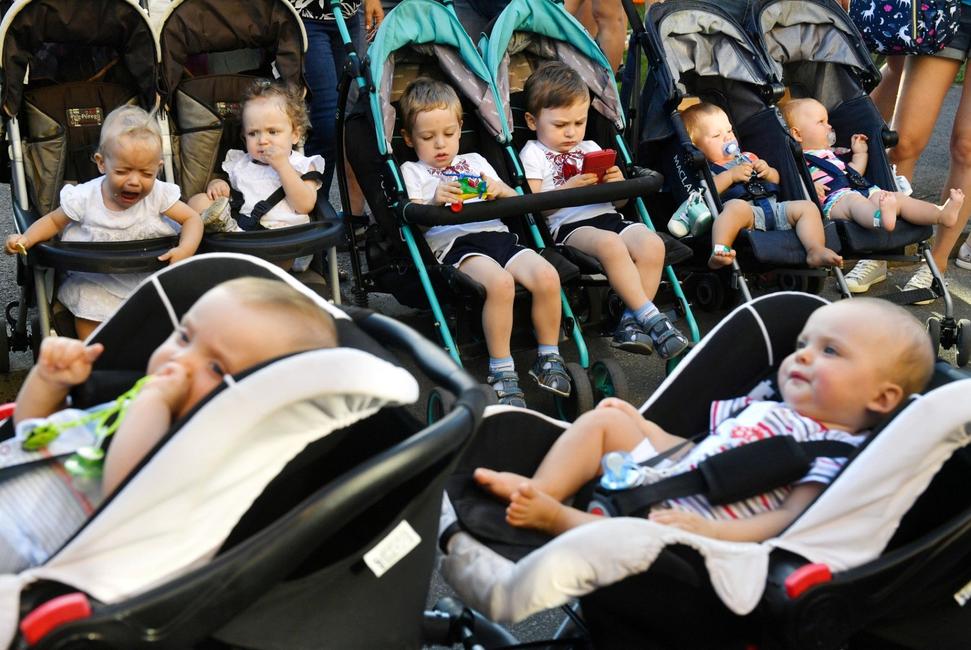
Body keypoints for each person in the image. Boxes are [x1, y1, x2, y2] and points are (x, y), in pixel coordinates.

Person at [473, 298, 933, 541]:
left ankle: (556, 518)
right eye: (802, 346)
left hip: (700, 520)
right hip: (676, 473)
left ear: (882, 397)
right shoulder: (767, 407)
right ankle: (543, 488)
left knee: (650, 533)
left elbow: (786, 518)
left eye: (829, 351)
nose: (803, 357)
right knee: (603, 421)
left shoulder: (837, 453)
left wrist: (715, 532)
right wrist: (644, 429)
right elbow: (702, 449)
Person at [3, 277, 338, 572]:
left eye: (216, 369)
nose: (181, 361)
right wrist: (49, 382)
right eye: (184, 337)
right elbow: (31, 434)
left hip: (21, 554)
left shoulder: (197, 463)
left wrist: (154, 403)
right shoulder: (131, 403)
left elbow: (125, 498)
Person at [398, 78, 571, 408]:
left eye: (449, 134)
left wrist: (499, 190)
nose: (440, 145)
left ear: (460, 129)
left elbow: (515, 200)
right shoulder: (412, 171)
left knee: (548, 276)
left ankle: (549, 356)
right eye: (428, 138)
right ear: (409, 139)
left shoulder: (476, 160)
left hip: (498, 236)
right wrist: (434, 201)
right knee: (500, 284)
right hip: (458, 245)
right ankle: (501, 369)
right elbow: (414, 220)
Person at [520, 62, 689, 359]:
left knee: (652, 244)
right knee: (610, 244)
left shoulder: (591, 147)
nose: (571, 132)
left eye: (579, 122)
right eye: (560, 125)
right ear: (533, 122)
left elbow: (620, 204)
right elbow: (534, 207)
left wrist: (617, 184)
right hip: (571, 226)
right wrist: (569, 189)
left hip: (610, 217)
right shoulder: (534, 153)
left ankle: (630, 322)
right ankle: (651, 317)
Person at [3, 105, 204, 341]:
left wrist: (186, 248)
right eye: (122, 171)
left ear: (158, 169)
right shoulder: (84, 197)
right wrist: (26, 238)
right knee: (88, 307)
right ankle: (96, 353)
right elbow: (53, 222)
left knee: (177, 307)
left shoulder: (158, 195)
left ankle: (148, 351)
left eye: (146, 174)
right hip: (96, 279)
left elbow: (192, 218)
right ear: (101, 163)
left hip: (148, 276)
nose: (134, 181)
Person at [681, 102, 843, 271]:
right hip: (748, 214)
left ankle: (815, 249)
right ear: (696, 147)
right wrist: (730, 176)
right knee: (734, 208)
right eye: (716, 136)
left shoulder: (748, 157)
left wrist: (768, 171)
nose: (728, 138)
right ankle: (720, 250)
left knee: (808, 208)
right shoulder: (707, 170)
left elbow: (777, 180)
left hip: (775, 208)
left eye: (729, 131)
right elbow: (706, 193)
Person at [187, 79, 322, 264]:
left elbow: (305, 205)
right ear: (244, 138)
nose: (262, 140)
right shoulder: (239, 163)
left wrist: (283, 167)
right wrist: (217, 185)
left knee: (279, 256)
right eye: (253, 133)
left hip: (284, 240)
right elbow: (229, 193)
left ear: (295, 135)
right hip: (241, 235)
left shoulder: (301, 165)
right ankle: (231, 248)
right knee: (197, 202)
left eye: (273, 132)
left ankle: (246, 265)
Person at [784, 98, 964, 233]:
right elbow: (791, 180)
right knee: (854, 203)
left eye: (827, 121)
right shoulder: (799, 159)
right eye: (821, 122)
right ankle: (880, 218)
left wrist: (860, 153)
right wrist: (809, 185)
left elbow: (853, 173)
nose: (829, 126)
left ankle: (940, 214)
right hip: (834, 201)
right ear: (798, 134)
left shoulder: (833, 154)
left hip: (858, 188)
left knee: (896, 197)